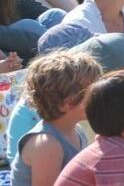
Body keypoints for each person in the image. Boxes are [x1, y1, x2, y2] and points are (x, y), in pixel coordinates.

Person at [10, 51, 100, 185]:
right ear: (68, 105)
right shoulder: (46, 144)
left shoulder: (77, 130)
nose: (101, 98)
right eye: (94, 94)